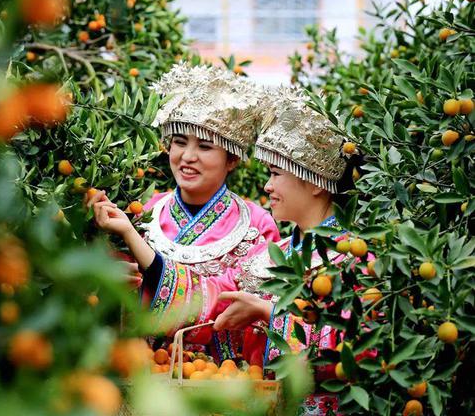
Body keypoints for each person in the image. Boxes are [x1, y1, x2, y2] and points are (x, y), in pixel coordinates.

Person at [87, 63, 280, 363]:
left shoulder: (257, 226)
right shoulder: (145, 211)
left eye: (204, 146)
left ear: (231, 160)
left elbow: (235, 310)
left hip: (220, 380)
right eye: (179, 142)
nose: (187, 157)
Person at [209, 86, 357, 415]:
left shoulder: (356, 259)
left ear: (317, 181)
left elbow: (357, 351)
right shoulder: (266, 257)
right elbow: (212, 300)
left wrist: (268, 313)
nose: (268, 186)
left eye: (276, 174)